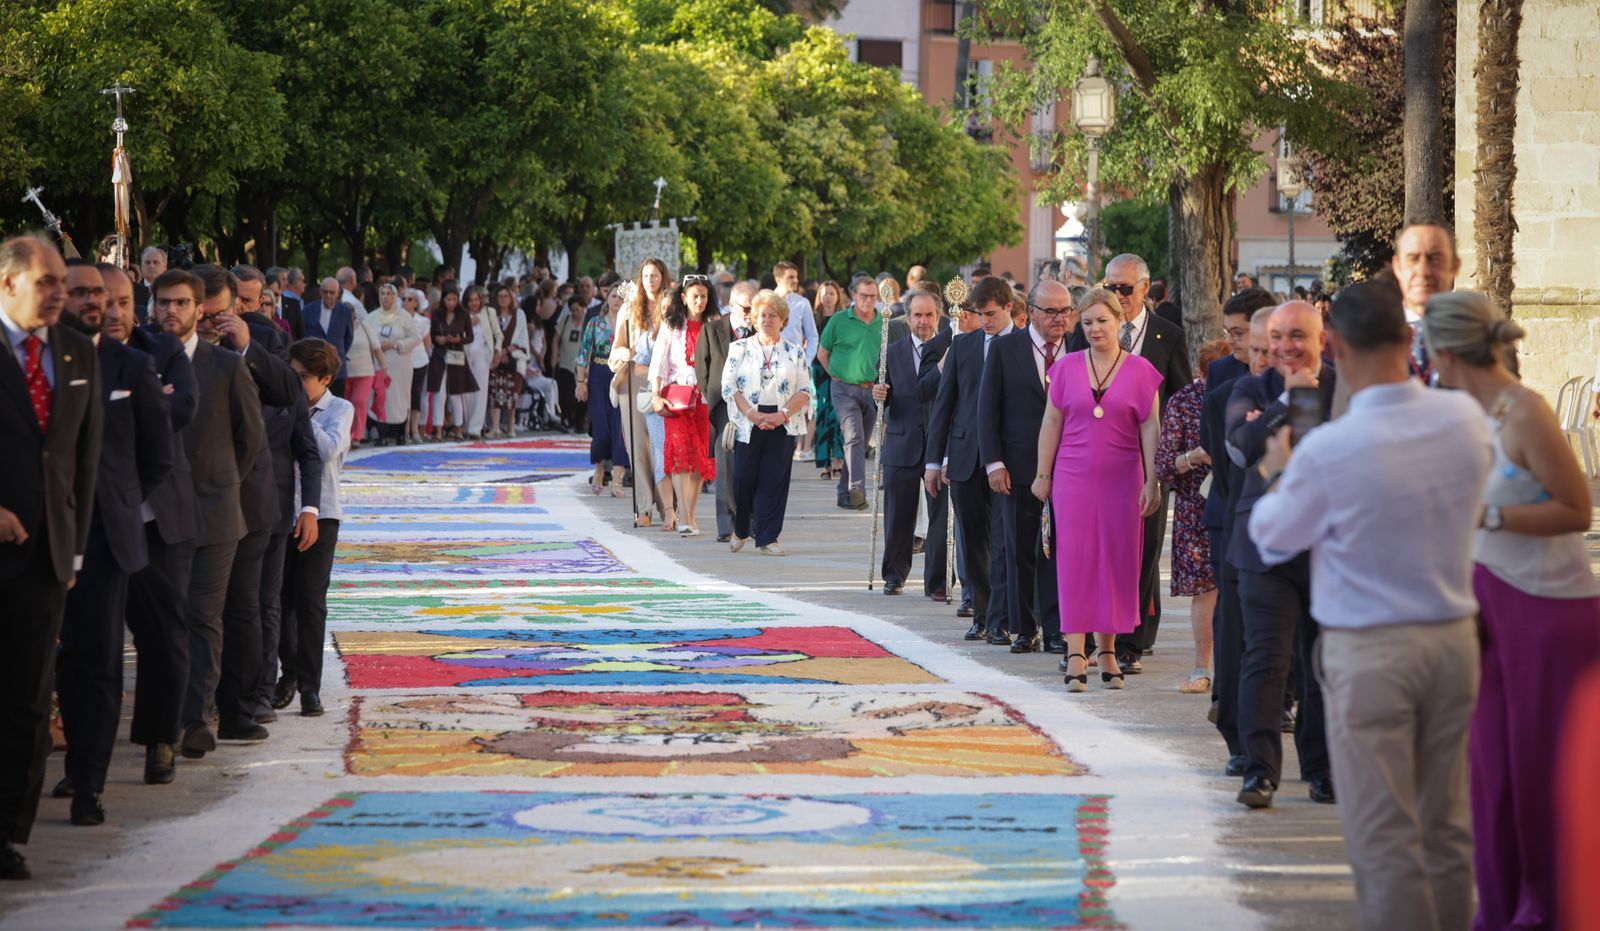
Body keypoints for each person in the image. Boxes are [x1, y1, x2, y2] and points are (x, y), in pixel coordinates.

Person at [1249, 281, 1491, 931]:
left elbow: (1273, 536)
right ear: (1407, 339)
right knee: (1448, 825)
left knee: (1385, 835)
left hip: (1370, 646)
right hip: (1452, 636)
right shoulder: (1463, 419)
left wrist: (1279, 470)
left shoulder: (1332, 447)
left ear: (1335, 346)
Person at [1421, 291, 1600, 930]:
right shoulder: (1459, 413)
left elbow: (1577, 509)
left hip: (1547, 614)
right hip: (1483, 606)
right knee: (1491, 774)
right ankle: (1501, 908)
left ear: (1446, 351)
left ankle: (1549, 908)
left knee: (1539, 774)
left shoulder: (1526, 411)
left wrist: (1488, 515)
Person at [0, 236, 102, 879]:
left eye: (62, 282)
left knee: (29, 699)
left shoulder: (74, 350)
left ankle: (9, 830)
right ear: (7, 284)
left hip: (47, 557)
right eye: (47, 282)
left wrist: (75, 550)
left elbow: (82, 461)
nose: (60, 294)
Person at [1225, 300, 1336, 809]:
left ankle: (1322, 770)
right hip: (1265, 547)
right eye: (1277, 337)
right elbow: (1241, 447)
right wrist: (1285, 402)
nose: (1286, 347)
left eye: (1298, 336)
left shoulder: (1344, 387)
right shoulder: (1253, 388)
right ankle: (1260, 772)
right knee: (1265, 659)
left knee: (1321, 663)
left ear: (1321, 340)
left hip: (1328, 546)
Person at [1034, 286, 1162, 691]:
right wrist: (1042, 474)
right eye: (1087, 322)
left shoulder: (1141, 370)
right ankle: (1076, 650)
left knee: (1117, 563)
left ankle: (1107, 651)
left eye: (1102, 320)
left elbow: (1151, 428)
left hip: (1124, 480)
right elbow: (1051, 422)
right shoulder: (1066, 367)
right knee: (1076, 561)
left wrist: (1153, 479)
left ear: (1119, 321)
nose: (1094, 329)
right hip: (1072, 478)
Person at [1070, 253, 1192, 671]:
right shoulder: (1087, 330)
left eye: (1125, 288)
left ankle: (1131, 642)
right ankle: (1087, 639)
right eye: (1110, 286)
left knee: (1142, 551)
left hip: (1145, 461)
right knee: (1093, 551)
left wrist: (1168, 463)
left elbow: (1178, 399)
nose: (1117, 295)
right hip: (1093, 462)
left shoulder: (1168, 336)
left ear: (1144, 287)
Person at [165, 267, 267, 760]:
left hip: (217, 512)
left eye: (182, 303)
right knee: (167, 619)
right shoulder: (143, 359)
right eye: (164, 303)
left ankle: (197, 718)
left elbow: (250, 438)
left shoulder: (229, 365)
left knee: (206, 616)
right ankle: (166, 722)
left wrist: (220, 483)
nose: (173, 312)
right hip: (156, 514)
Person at [1201, 292, 1278, 775]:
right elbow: (1223, 465)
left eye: (1242, 334)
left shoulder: (1318, 387)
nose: (1236, 343)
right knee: (1234, 631)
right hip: (1236, 520)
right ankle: (1237, 731)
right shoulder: (1222, 388)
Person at [979, 279, 1077, 654]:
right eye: (1050, 311)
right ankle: (1023, 627)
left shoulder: (1080, 348)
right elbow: (987, 410)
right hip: (1017, 467)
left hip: (1069, 467)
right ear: (1031, 312)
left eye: (1065, 310)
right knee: (1018, 549)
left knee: (1059, 552)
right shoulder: (1005, 349)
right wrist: (994, 463)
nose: (1059, 318)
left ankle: (1056, 629)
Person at [927, 276, 1014, 645]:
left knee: (1005, 544)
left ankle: (1002, 618)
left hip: (1008, 461)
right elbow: (944, 404)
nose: (984, 321)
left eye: (991, 314)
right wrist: (934, 462)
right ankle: (981, 614)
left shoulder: (1023, 345)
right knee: (973, 542)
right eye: (980, 314)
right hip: (964, 458)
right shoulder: (963, 345)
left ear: (1009, 307)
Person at [276, 338, 352, 719]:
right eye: (291, 375)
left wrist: (299, 413)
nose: (295, 383)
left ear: (325, 379)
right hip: (280, 513)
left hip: (322, 515)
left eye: (303, 377)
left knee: (310, 602)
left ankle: (310, 687)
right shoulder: (279, 402)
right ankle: (289, 670)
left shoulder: (340, 409)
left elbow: (327, 450)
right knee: (278, 600)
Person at [1156, 338, 1230, 695]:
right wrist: (1195, 456)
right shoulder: (1183, 401)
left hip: (1237, 498)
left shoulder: (1247, 394)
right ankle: (1202, 666)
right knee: (1205, 587)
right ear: (1200, 373)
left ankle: (1231, 669)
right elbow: (1163, 465)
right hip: (1196, 505)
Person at [722, 290, 813, 555]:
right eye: (762, 315)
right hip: (748, 422)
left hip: (782, 422)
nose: (767, 320)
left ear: (783, 320)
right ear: (754, 318)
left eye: (773, 315)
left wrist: (781, 415)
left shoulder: (794, 351)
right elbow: (728, 386)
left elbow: (804, 390)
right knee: (743, 479)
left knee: (773, 481)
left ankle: (767, 537)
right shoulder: (739, 348)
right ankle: (741, 529)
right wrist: (751, 413)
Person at [874, 289, 948, 595]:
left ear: (938, 316)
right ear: (908, 317)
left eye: (929, 315)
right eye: (917, 315)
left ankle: (938, 582)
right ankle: (894, 574)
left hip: (940, 442)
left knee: (940, 518)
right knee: (898, 514)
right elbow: (882, 391)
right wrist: (878, 394)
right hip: (902, 441)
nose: (923, 321)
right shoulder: (892, 352)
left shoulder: (951, 348)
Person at [650, 279, 716, 534]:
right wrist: (656, 394)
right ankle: (683, 516)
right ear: (684, 298)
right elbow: (659, 363)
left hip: (705, 400)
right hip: (677, 399)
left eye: (704, 296)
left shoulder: (713, 325)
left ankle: (691, 513)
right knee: (680, 455)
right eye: (695, 296)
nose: (700, 301)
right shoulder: (671, 325)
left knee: (700, 458)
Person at [818, 275, 886, 511]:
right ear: (854, 295)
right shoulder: (839, 320)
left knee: (858, 443)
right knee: (854, 436)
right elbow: (822, 353)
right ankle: (857, 489)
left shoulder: (884, 322)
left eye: (873, 296)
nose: (868, 300)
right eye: (863, 295)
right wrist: (835, 375)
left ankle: (843, 493)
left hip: (872, 390)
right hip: (844, 389)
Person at [613, 261, 671, 525]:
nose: (650, 280)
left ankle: (667, 506)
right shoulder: (629, 308)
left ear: (663, 277)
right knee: (638, 445)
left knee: (662, 445)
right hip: (635, 380)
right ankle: (644, 507)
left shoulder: (671, 306)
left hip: (664, 380)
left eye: (655, 275)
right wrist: (623, 353)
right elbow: (617, 347)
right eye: (646, 275)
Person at [691, 274, 736, 543]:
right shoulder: (713, 329)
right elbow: (703, 369)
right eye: (743, 306)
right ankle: (726, 524)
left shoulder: (761, 330)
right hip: (722, 405)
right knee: (725, 462)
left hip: (756, 406)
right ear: (732, 304)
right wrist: (713, 397)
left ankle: (750, 520)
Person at [1392, 220, 1461, 384]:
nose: (1423, 271)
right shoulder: (1372, 337)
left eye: (1435, 259)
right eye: (1412, 259)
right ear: (1397, 267)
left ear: (1454, 267)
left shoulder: (1480, 336)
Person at [577, 286, 628, 496]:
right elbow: (583, 353)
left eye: (621, 297)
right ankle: (599, 470)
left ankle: (617, 480)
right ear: (606, 298)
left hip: (623, 375)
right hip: (599, 375)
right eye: (613, 296)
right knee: (601, 428)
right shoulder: (595, 323)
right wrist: (581, 381)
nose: (617, 300)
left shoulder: (630, 324)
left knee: (621, 427)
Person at [369, 283, 421, 445]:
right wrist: (376, 346)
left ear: (394, 296)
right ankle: (382, 434)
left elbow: (416, 338)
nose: (385, 297)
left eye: (389, 294)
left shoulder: (404, 316)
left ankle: (401, 434)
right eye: (382, 293)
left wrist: (396, 344)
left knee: (400, 397)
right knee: (381, 397)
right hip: (379, 364)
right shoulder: (372, 317)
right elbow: (364, 336)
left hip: (400, 365)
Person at [427, 285, 476, 440]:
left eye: (454, 299)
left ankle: (458, 428)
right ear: (443, 299)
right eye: (448, 299)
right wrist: (438, 339)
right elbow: (431, 334)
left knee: (456, 394)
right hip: (439, 356)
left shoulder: (463, 315)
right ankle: (438, 429)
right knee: (438, 394)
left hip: (456, 355)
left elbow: (470, 337)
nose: (451, 303)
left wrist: (458, 339)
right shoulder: (437, 314)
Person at [808, 280, 845, 478]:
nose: (828, 297)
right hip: (819, 371)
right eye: (824, 293)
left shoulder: (843, 318)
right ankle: (825, 464)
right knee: (822, 414)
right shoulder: (814, 319)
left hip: (838, 370)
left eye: (831, 293)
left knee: (837, 415)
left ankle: (838, 461)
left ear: (837, 296)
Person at [485, 283, 528, 438]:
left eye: (506, 296)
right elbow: (488, 335)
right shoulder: (491, 314)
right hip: (495, 357)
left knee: (512, 393)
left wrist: (507, 351)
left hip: (513, 357)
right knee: (495, 392)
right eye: (500, 296)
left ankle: (511, 427)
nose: (503, 299)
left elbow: (522, 337)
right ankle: (495, 427)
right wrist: (497, 352)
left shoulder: (519, 314)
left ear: (511, 298)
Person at [302, 278, 354, 399]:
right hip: (313, 366)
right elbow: (301, 334)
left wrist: (338, 353)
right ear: (321, 292)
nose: (328, 295)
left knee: (336, 401)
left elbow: (349, 338)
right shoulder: (308, 310)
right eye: (325, 292)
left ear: (338, 293)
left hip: (337, 368)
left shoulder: (345, 312)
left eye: (332, 292)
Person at [462, 284, 500, 439]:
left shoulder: (489, 312)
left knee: (480, 391)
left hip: (482, 354)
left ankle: (475, 428)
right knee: (465, 392)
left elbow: (498, 334)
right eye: (471, 300)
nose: (474, 303)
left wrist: (497, 351)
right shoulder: (462, 314)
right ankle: (465, 426)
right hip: (464, 354)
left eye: (476, 299)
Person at [774, 261, 818, 366]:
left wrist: (806, 362)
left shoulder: (803, 303)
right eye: (791, 277)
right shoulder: (765, 301)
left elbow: (812, 337)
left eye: (796, 277)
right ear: (778, 279)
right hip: (769, 363)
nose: (796, 280)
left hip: (795, 364)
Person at [403, 289, 431, 442]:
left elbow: (427, 343)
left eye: (410, 299)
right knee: (404, 395)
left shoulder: (423, 321)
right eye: (404, 299)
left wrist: (419, 355)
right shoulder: (398, 318)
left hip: (419, 361)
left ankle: (414, 430)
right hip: (402, 361)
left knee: (416, 394)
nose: (406, 302)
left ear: (416, 303)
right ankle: (405, 430)